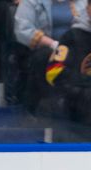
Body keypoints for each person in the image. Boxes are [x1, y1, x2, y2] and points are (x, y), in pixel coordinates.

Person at [42, 1, 91, 140]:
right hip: (78, 101)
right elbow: (53, 73)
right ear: (87, 9)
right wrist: (83, 82)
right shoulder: (71, 37)